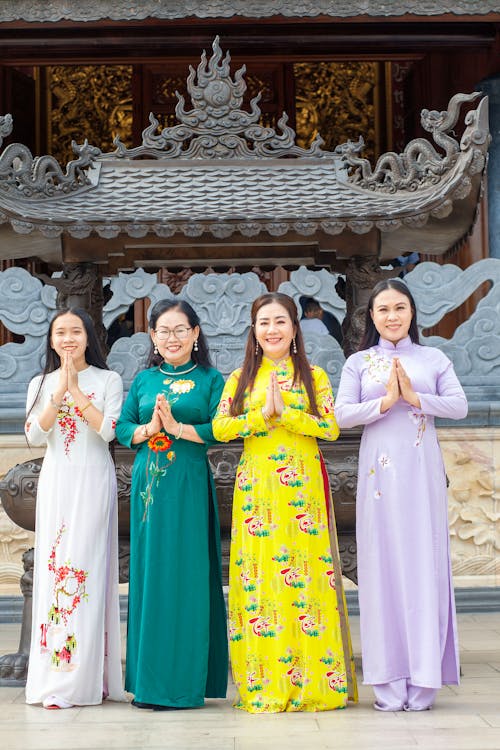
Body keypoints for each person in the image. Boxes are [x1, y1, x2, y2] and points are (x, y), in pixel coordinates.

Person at [212, 292, 357, 713]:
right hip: (258, 487)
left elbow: (330, 428)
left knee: (308, 579)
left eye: (280, 321)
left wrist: (287, 415)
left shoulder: (314, 376)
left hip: (302, 487)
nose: (272, 330)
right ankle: (265, 683)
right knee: (261, 581)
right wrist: (261, 417)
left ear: (295, 329)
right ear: (254, 332)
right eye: (263, 323)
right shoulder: (239, 377)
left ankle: (316, 682)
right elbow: (221, 427)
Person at [334, 278, 467, 712]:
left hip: (422, 472)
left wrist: (416, 396)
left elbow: (459, 406)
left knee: (422, 563)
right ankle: (389, 682)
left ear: (412, 313)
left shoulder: (433, 358)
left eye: (400, 308)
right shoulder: (358, 362)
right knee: (384, 567)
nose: (392, 316)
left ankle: (425, 678)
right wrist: (386, 403)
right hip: (378, 478)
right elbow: (341, 414)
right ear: (370, 317)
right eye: (383, 310)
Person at [115, 299, 228, 710]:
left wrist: (179, 428)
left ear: (196, 334)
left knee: (189, 575)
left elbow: (222, 427)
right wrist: (149, 428)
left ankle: (184, 684)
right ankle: (150, 685)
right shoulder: (144, 380)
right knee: (151, 577)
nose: (172, 338)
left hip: (188, 482)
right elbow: (123, 426)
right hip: (149, 488)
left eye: (181, 330)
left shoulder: (211, 379)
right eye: (163, 330)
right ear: (153, 337)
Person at [24, 308, 124, 709]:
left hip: (92, 481)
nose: (68, 338)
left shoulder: (109, 379)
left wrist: (77, 391)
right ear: (51, 340)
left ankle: (87, 679)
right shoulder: (40, 382)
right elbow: (34, 435)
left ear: (89, 338)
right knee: (54, 572)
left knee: (85, 571)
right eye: (60, 332)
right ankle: (55, 675)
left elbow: (108, 431)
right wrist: (58, 391)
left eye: (75, 331)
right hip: (58, 483)